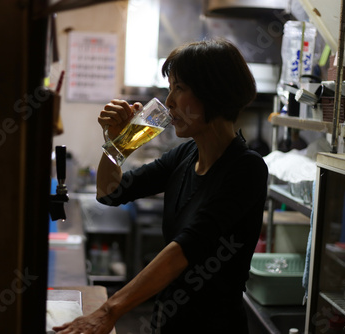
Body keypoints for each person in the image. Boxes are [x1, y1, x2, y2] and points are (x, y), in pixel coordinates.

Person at [53, 38, 268, 334]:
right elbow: (110, 193)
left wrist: (108, 311)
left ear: (213, 93)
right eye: (170, 89)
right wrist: (116, 144)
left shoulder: (246, 169)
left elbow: (183, 251)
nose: (168, 102)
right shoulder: (185, 155)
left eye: (179, 88)